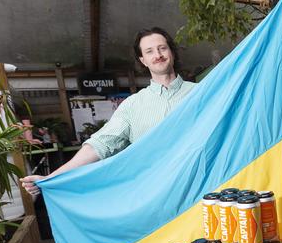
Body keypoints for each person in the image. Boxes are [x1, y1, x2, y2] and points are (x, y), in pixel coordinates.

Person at [20, 27, 196, 196]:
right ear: (143, 60)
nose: (157, 55)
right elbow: (100, 145)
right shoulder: (132, 105)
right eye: (149, 51)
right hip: (155, 194)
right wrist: (51, 178)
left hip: (201, 189)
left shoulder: (201, 92)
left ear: (171, 52)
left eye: (162, 48)